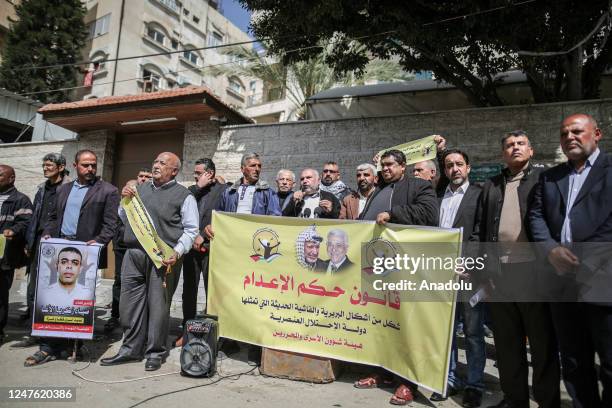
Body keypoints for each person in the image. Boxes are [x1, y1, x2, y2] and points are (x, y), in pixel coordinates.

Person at [529, 114, 611, 408]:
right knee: (574, 362)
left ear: (597, 134)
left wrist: (580, 261)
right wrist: (551, 250)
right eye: (564, 133)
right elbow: (536, 217)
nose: (570, 138)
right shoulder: (550, 177)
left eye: (577, 131)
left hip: (602, 282)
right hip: (560, 284)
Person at [475, 130, 559, 408]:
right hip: (500, 275)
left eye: (521, 144)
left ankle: (548, 401)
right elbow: (480, 231)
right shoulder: (492, 185)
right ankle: (515, 399)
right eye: (509, 145)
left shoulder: (544, 180)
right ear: (503, 153)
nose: (515, 148)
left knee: (541, 343)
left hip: (534, 274)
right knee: (507, 344)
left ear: (531, 151)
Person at [101, 152, 198, 371]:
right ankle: (130, 349)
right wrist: (123, 199)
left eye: (163, 163)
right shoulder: (139, 190)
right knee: (129, 305)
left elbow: (191, 230)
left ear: (174, 171)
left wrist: (178, 251)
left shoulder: (184, 196)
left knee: (158, 307)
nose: (156, 165)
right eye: (155, 161)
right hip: (133, 255)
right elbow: (124, 217)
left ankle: (155, 352)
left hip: (162, 259)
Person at [356, 149, 438, 405]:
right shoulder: (378, 190)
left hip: (405, 267)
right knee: (380, 323)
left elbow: (428, 215)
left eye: (390, 165)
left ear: (403, 166)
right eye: (383, 165)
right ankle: (383, 371)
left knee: (406, 326)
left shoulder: (418, 186)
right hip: (376, 268)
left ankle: (408, 382)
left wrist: (393, 215)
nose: (386, 169)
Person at [25, 150, 119, 366]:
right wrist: (48, 232)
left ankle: (73, 345)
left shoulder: (108, 191)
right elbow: (53, 216)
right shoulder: (64, 189)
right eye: (85, 165)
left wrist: (99, 241)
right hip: (59, 250)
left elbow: (110, 223)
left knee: (78, 303)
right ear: (76, 166)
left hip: (86, 254)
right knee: (53, 301)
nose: (90, 169)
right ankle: (47, 347)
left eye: (93, 165)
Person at [205, 153, 280, 365]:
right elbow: (217, 216)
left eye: (259, 165)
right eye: (252, 165)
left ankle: (256, 345)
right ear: (242, 169)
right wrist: (210, 227)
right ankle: (229, 340)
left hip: (257, 255)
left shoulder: (267, 192)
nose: (257, 169)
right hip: (231, 254)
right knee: (230, 297)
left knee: (257, 298)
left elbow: (275, 220)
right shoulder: (229, 192)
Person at [430, 149, 486, 407]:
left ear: (469, 167)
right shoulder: (439, 197)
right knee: (447, 331)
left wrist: (470, 263)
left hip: (469, 273)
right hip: (442, 274)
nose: (455, 169)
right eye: (449, 165)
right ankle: (450, 379)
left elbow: (481, 231)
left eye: (459, 164)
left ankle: (475, 384)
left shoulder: (479, 194)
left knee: (473, 333)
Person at [12, 153, 70, 348]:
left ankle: (56, 334)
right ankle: (34, 332)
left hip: (59, 244)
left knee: (55, 290)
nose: (45, 168)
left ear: (61, 167)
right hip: (38, 244)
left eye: (49, 165)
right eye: (44, 165)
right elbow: (34, 219)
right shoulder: (41, 188)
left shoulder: (69, 188)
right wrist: (29, 243)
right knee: (33, 289)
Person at [175, 158, 226, 347]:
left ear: (209, 173)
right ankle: (186, 330)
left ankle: (213, 333)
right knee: (189, 290)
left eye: (198, 173)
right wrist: (198, 185)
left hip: (211, 248)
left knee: (212, 291)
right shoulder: (190, 191)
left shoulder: (223, 190)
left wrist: (203, 235)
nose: (195, 176)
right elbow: (180, 211)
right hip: (190, 249)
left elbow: (223, 216)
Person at [104, 167, 151, 333]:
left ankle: (140, 318)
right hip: (122, 243)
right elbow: (120, 216)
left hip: (144, 246)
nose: (144, 179)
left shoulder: (152, 195)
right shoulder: (128, 193)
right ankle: (115, 316)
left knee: (142, 281)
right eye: (141, 176)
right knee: (119, 279)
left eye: (147, 176)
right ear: (137, 178)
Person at [0, 165, 32, 343]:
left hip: (4, 256)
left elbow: (26, 222)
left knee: (0, 295)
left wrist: (13, 230)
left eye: (0, 175)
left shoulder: (20, 200)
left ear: (11, 178)